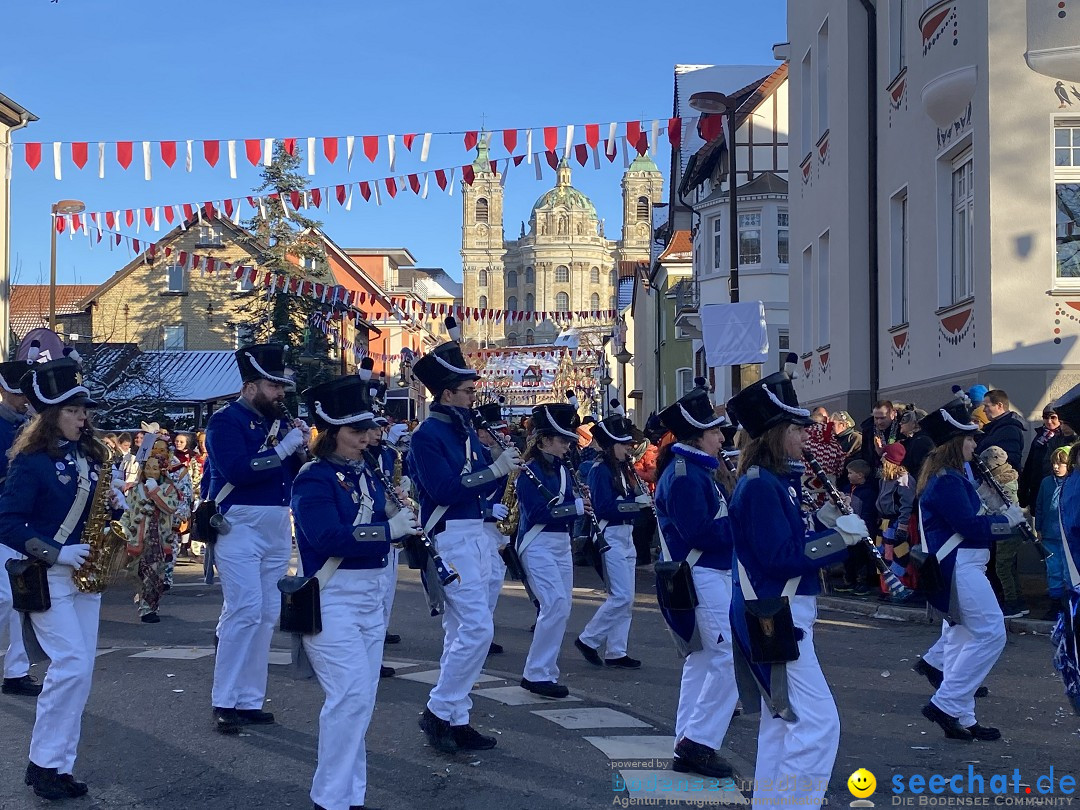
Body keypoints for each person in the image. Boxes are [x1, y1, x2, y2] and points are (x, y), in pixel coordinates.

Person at [726, 372, 865, 806]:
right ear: (778, 433)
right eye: (798, 428)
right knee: (817, 724)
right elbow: (779, 557)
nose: (807, 435)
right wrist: (838, 541)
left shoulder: (773, 482)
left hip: (779, 610)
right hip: (774, 613)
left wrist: (823, 522)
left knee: (782, 723)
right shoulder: (762, 486)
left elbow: (786, 542)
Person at [291, 375, 420, 810]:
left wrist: (403, 519)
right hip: (332, 598)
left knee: (361, 701)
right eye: (355, 431)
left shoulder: (367, 472)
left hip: (369, 596)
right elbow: (326, 537)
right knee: (349, 698)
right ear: (329, 433)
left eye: (367, 429)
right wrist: (387, 530)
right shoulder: (313, 478)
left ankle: (350, 795)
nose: (366, 438)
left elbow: (382, 525)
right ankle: (328, 798)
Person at [0, 357, 117, 800]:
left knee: (81, 670)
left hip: (85, 578)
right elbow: (7, 521)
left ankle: (59, 764)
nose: (83, 417)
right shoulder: (30, 463)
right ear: (51, 415)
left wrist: (112, 513)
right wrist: (56, 552)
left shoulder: (89, 456)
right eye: (73, 410)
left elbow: (93, 508)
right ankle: (43, 763)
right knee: (69, 666)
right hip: (48, 576)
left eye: (84, 410)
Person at [408, 318, 521, 753]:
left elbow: (480, 486)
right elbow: (443, 490)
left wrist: (498, 474)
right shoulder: (428, 435)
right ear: (448, 393)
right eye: (469, 390)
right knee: (475, 630)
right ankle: (439, 710)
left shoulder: (465, 432)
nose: (475, 395)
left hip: (478, 536)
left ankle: (457, 716)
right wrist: (492, 470)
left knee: (463, 634)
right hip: (451, 538)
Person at [204, 343, 310, 734]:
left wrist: (302, 445)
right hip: (239, 523)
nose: (281, 394)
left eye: (282, 387)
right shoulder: (224, 421)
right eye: (273, 386)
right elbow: (238, 471)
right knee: (244, 609)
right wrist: (284, 448)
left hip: (276, 523)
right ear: (250, 387)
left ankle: (249, 698)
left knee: (266, 615)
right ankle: (223, 699)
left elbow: (299, 473)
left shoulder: (279, 422)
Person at [915, 400, 1023, 741]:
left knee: (961, 641)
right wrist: (1007, 522)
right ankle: (946, 704)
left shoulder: (954, 478)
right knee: (992, 633)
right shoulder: (947, 481)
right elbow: (970, 527)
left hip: (963, 565)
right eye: (970, 439)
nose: (975, 445)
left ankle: (962, 716)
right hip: (959, 566)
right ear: (954, 443)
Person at [652, 389, 738, 779]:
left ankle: (686, 738)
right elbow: (700, 533)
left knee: (703, 661)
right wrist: (744, 520)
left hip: (707, 574)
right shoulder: (686, 475)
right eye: (716, 432)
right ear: (698, 435)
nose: (723, 438)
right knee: (730, 659)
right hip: (702, 574)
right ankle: (698, 744)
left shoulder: (694, 470)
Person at [516, 402, 584, 698]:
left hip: (560, 543)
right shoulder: (529, 470)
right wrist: (577, 507)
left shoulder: (564, 470)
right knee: (554, 604)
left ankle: (546, 670)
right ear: (544, 440)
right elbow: (538, 513)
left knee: (562, 607)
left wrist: (577, 505)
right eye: (561, 440)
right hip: (537, 541)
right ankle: (535, 673)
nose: (567, 447)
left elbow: (564, 507)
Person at [575, 414, 649, 671]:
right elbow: (604, 507)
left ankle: (617, 651)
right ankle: (588, 639)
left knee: (626, 599)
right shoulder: (600, 470)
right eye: (624, 444)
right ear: (610, 446)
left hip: (625, 535)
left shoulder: (622, 469)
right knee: (621, 596)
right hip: (609, 535)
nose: (629, 448)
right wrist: (635, 505)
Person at [0, 361, 41, 698]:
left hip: (23, 523)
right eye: (17, 393)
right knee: (5, 598)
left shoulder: (32, 426)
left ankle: (16, 671)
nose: (23, 399)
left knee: (19, 600)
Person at [121, 448, 180, 623]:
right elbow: (129, 512)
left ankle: (149, 609)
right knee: (139, 574)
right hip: (139, 538)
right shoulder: (135, 489)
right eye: (148, 468)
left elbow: (170, 507)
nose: (151, 472)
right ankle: (144, 601)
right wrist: (121, 528)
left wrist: (155, 492)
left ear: (162, 470)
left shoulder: (169, 489)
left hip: (159, 541)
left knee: (156, 575)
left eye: (155, 468)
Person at [474, 401, 512, 657]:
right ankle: (478, 635)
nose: (501, 437)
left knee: (495, 580)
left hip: (500, 528)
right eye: (494, 432)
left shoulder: (503, 454)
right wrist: (488, 512)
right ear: (482, 433)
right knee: (484, 581)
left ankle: (484, 633)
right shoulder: (477, 457)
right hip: (482, 526)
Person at [976, 446, 1027, 618]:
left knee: (1003, 567)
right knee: (1008, 567)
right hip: (1003, 528)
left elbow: (1007, 506)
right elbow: (979, 494)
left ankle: (1012, 604)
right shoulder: (992, 480)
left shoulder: (1006, 481)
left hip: (1010, 529)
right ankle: (1018, 601)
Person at [1034, 447, 1070, 621]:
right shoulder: (1046, 482)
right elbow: (1040, 506)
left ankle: (1069, 604)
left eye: (1061, 463)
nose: (1056, 467)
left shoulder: (1073, 482)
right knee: (1053, 569)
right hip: (1049, 534)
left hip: (1068, 536)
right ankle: (1055, 604)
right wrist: (1038, 528)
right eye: (1054, 463)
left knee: (1067, 571)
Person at [836, 458, 879, 596]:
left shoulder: (868, 492)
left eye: (850, 473)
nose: (847, 476)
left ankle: (863, 582)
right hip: (847, 528)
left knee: (862, 557)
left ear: (860, 475)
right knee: (848, 556)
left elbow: (868, 512)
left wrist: (865, 528)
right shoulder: (846, 489)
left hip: (861, 528)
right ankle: (849, 580)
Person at [1019, 405, 1072, 508]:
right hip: (1038, 485)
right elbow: (1030, 464)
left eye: (1053, 417)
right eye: (1045, 417)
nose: (1049, 421)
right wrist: (1024, 491)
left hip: (1057, 486)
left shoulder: (1065, 437)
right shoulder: (1040, 436)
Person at [975, 390, 1027, 471]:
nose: (984, 410)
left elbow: (1009, 462)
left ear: (999, 405)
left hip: (1000, 480)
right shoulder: (994, 427)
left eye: (986, 406)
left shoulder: (1010, 430)